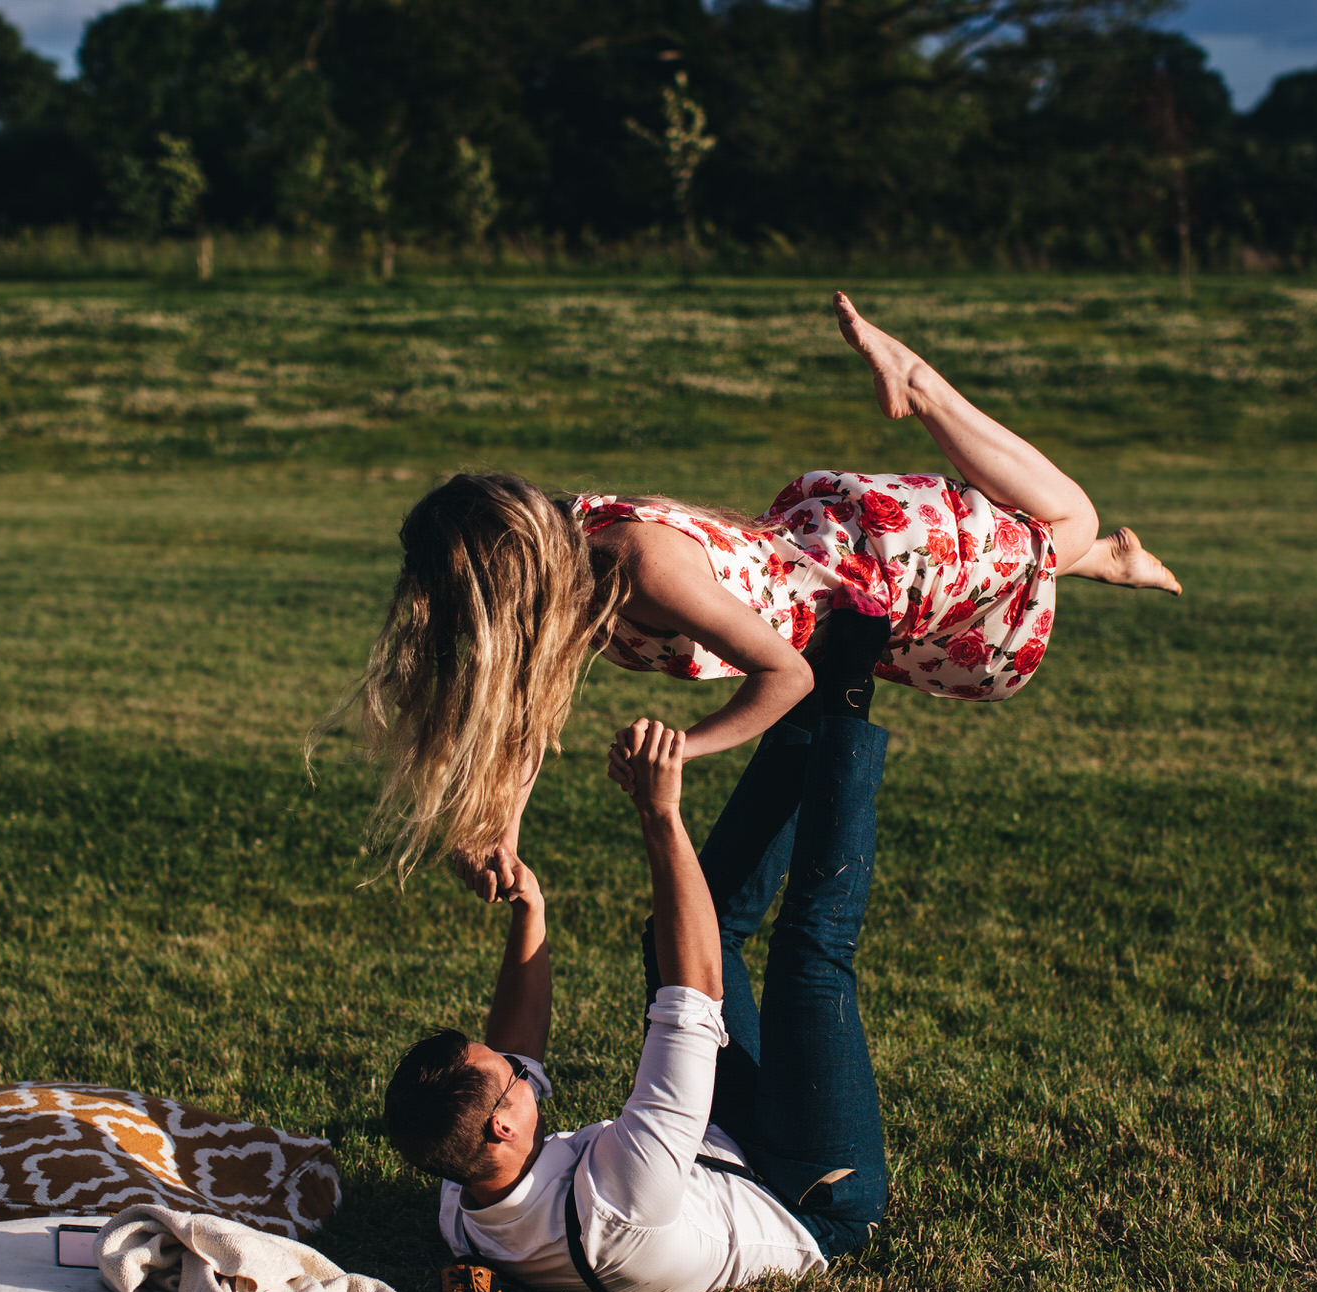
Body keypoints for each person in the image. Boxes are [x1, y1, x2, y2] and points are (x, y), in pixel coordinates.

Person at [330, 292, 1179, 891]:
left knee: (1065, 516)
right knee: (1036, 553)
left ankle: (920, 386)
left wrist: (685, 750)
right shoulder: (561, 584)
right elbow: (523, 714)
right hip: (819, 579)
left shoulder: (636, 562)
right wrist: (500, 834)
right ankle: (1100, 559)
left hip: (879, 556)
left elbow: (790, 677)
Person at [382, 620, 893, 1292]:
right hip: (809, 1194)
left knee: (676, 934)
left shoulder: (464, 1200)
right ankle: (850, 681)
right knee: (808, 952)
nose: (522, 1064)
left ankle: (797, 699)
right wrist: (661, 814)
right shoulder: (621, 1197)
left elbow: (515, 1047)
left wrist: (528, 908)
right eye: (511, 1077)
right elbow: (692, 993)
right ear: (501, 1125)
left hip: (726, 1145)